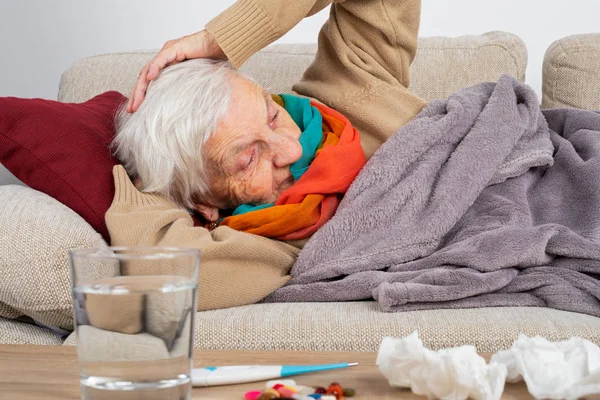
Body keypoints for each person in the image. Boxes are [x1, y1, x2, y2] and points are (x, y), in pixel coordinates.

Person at [108, 0, 427, 311]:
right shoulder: (259, 245)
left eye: (273, 116)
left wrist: (219, 37)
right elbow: (163, 273)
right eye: (248, 159)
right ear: (204, 204)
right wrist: (146, 184)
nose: (294, 149)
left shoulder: (351, 88)